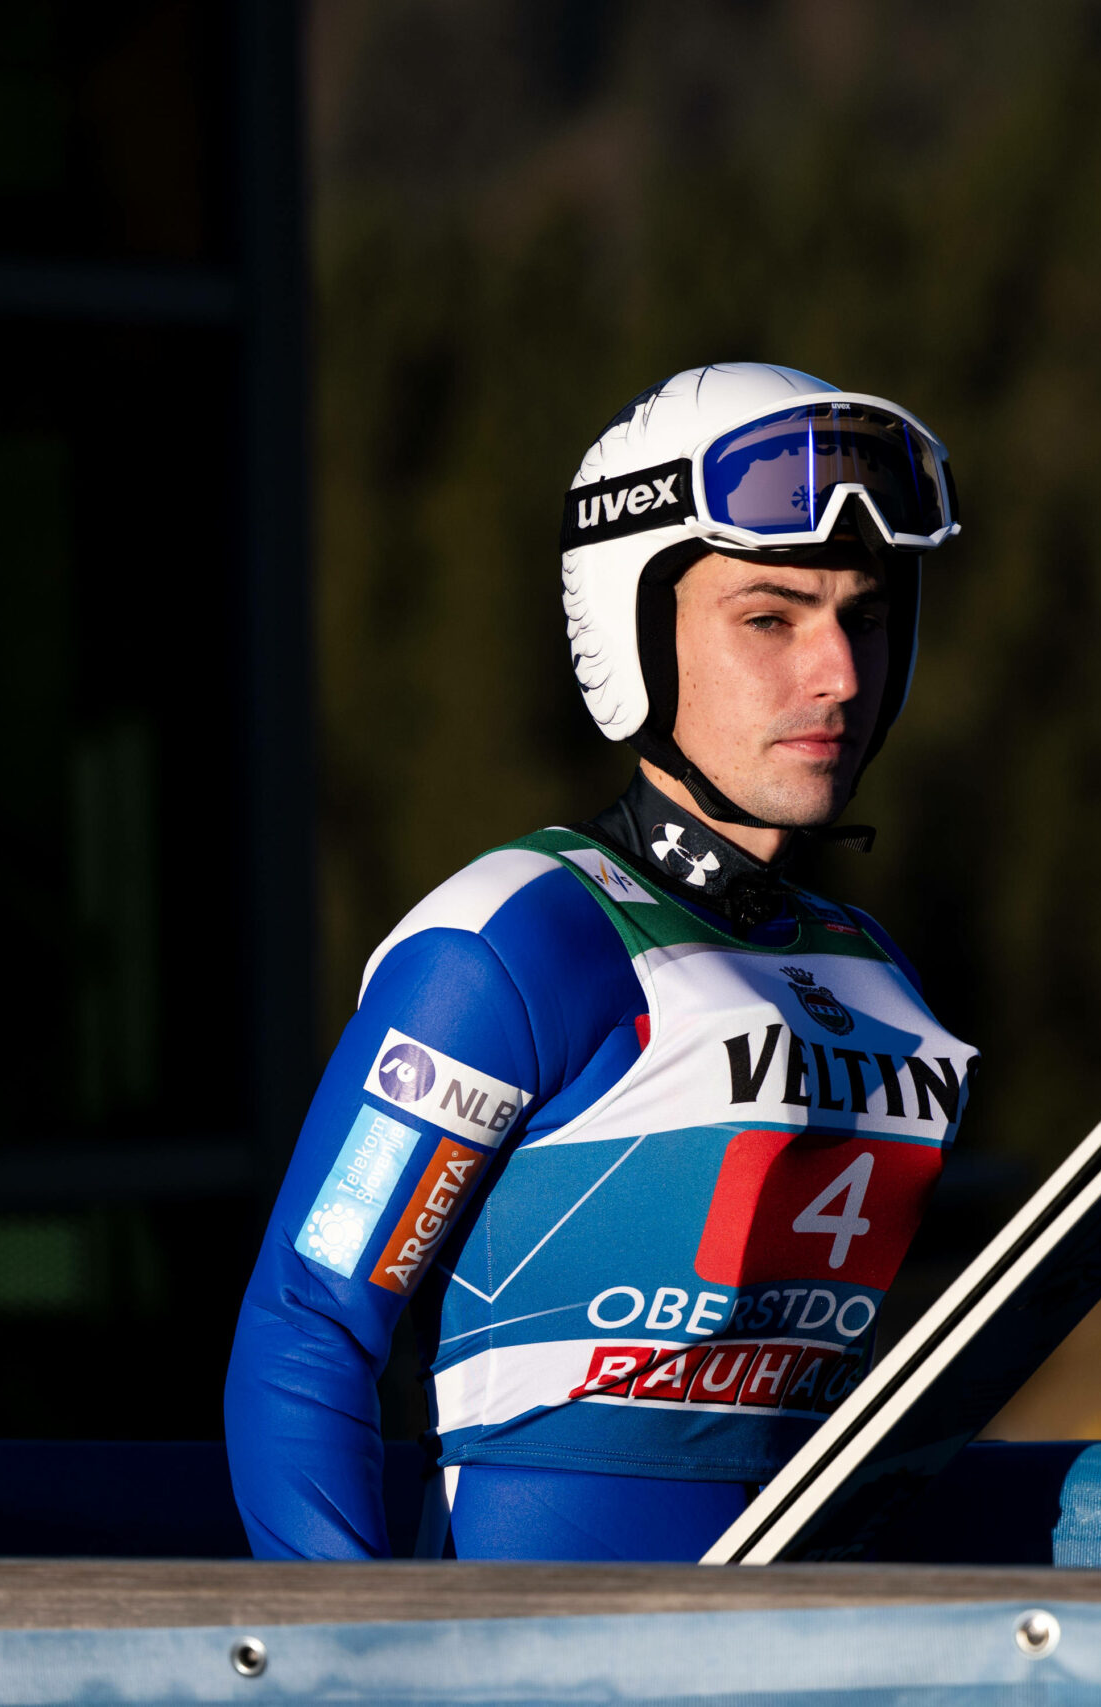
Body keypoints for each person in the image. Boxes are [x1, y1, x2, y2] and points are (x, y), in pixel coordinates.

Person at [225, 364, 977, 1561]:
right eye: (771, 618)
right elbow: (307, 1331)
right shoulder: (519, 939)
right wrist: (343, 1653)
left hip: (813, 1630)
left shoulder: (872, 968)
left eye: (867, 616)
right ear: (633, 631)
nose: (838, 672)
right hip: (535, 1637)